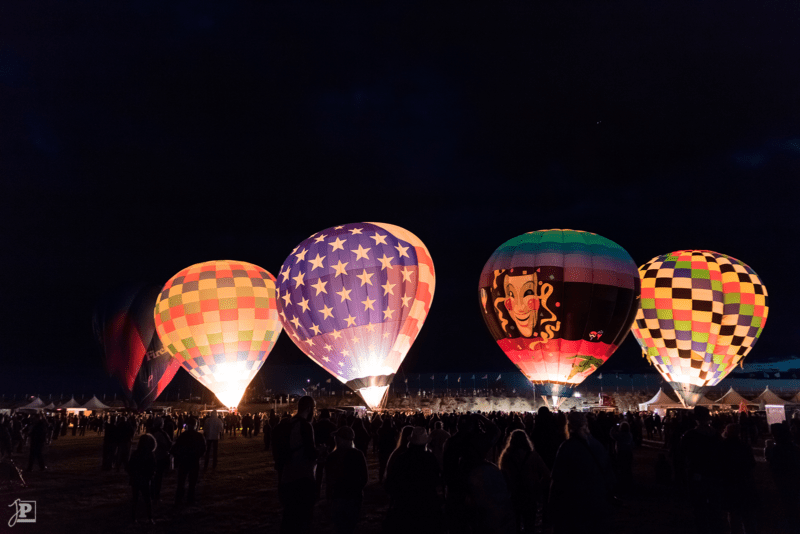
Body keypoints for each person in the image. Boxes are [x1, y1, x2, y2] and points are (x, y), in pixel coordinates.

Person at [549, 411, 615, 534]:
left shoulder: (567, 448)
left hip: (575, 504)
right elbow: (608, 473)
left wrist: (553, 506)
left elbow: (557, 479)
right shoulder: (597, 445)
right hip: (597, 500)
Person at [276, 396, 322, 534]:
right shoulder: (306, 426)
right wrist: (321, 452)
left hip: (287, 474)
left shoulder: (287, 423)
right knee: (303, 517)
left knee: (289, 515)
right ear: (310, 409)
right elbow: (310, 453)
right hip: (303, 476)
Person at [384, 426, 443, 534]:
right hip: (427, 504)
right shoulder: (430, 458)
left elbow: (391, 481)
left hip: (405, 504)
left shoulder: (401, 458)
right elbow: (437, 479)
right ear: (425, 443)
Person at [680, 406, 724, 534]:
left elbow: (682, 456)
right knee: (715, 505)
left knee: (699, 506)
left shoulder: (689, 436)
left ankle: (703, 527)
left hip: (697, 474)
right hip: (714, 474)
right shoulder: (716, 435)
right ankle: (716, 527)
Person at [498, 429, 549, 534]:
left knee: (514, 524)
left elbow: (502, 474)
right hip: (530, 493)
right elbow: (546, 473)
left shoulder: (506, 456)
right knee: (529, 524)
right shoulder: (533, 456)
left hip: (513, 493)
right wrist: (538, 486)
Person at [325, 426, 369, 534]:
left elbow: (329, 479)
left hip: (338, 496)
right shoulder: (358, 454)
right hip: (354, 496)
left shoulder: (333, 456)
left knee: (339, 526)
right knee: (350, 526)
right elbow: (364, 477)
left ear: (339, 439)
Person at [765, 422, 800, 534]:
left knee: (788, 507)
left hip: (784, 482)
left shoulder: (777, 450)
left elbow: (773, 466)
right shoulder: (794, 447)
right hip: (793, 481)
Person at [170, 416, 206, 506]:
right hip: (194, 461)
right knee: (192, 482)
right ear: (195, 425)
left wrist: (178, 457)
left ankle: (179, 500)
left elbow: (175, 448)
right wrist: (197, 456)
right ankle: (190, 499)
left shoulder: (183, 436)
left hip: (184, 461)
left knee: (181, 482)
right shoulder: (199, 436)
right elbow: (203, 449)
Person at [127, 434, 157, 524]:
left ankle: (133, 517)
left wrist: (132, 474)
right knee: (147, 499)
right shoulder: (150, 455)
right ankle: (150, 517)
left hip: (135, 479)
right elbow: (153, 467)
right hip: (145, 479)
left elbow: (129, 466)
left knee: (135, 499)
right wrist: (150, 475)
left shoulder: (135, 453)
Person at [150, 417, 173, 502]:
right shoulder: (162, 434)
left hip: (152, 457)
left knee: (152, 477)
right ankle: (156, 495)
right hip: (160, 457)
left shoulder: (151, 433)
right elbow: (168, 445)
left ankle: (151, 493)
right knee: (158, 477)